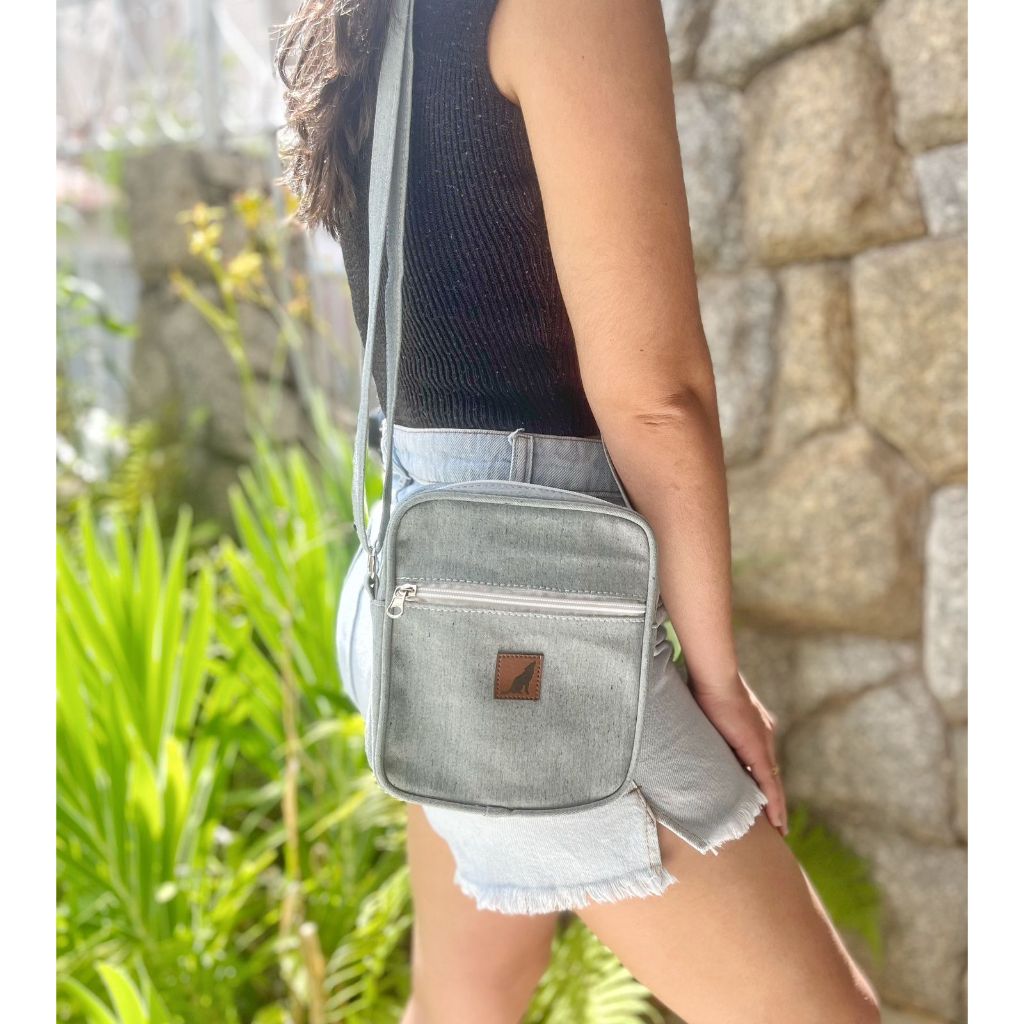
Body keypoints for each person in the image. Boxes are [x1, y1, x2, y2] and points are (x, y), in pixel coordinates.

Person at [276, 1, 881, 1021]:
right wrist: (716, 678)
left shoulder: (385, 17)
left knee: (464, 1003)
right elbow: (656, 396)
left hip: (419, 583)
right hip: (532, 616)